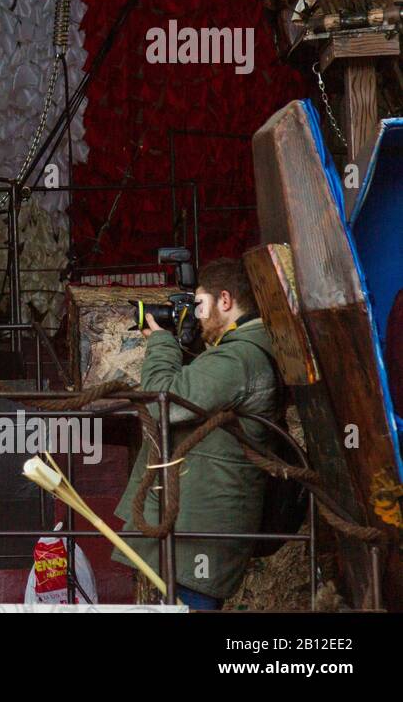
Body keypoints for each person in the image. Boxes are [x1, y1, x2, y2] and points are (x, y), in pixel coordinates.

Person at [113, 258, 280, 610]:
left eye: (199, 305)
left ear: (225, 300)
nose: (197, 316)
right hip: (203, 518)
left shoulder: (238, 358)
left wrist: (161, 342)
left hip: (203, 524)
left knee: (191, 603)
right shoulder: (240, 351)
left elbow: (165, 402)